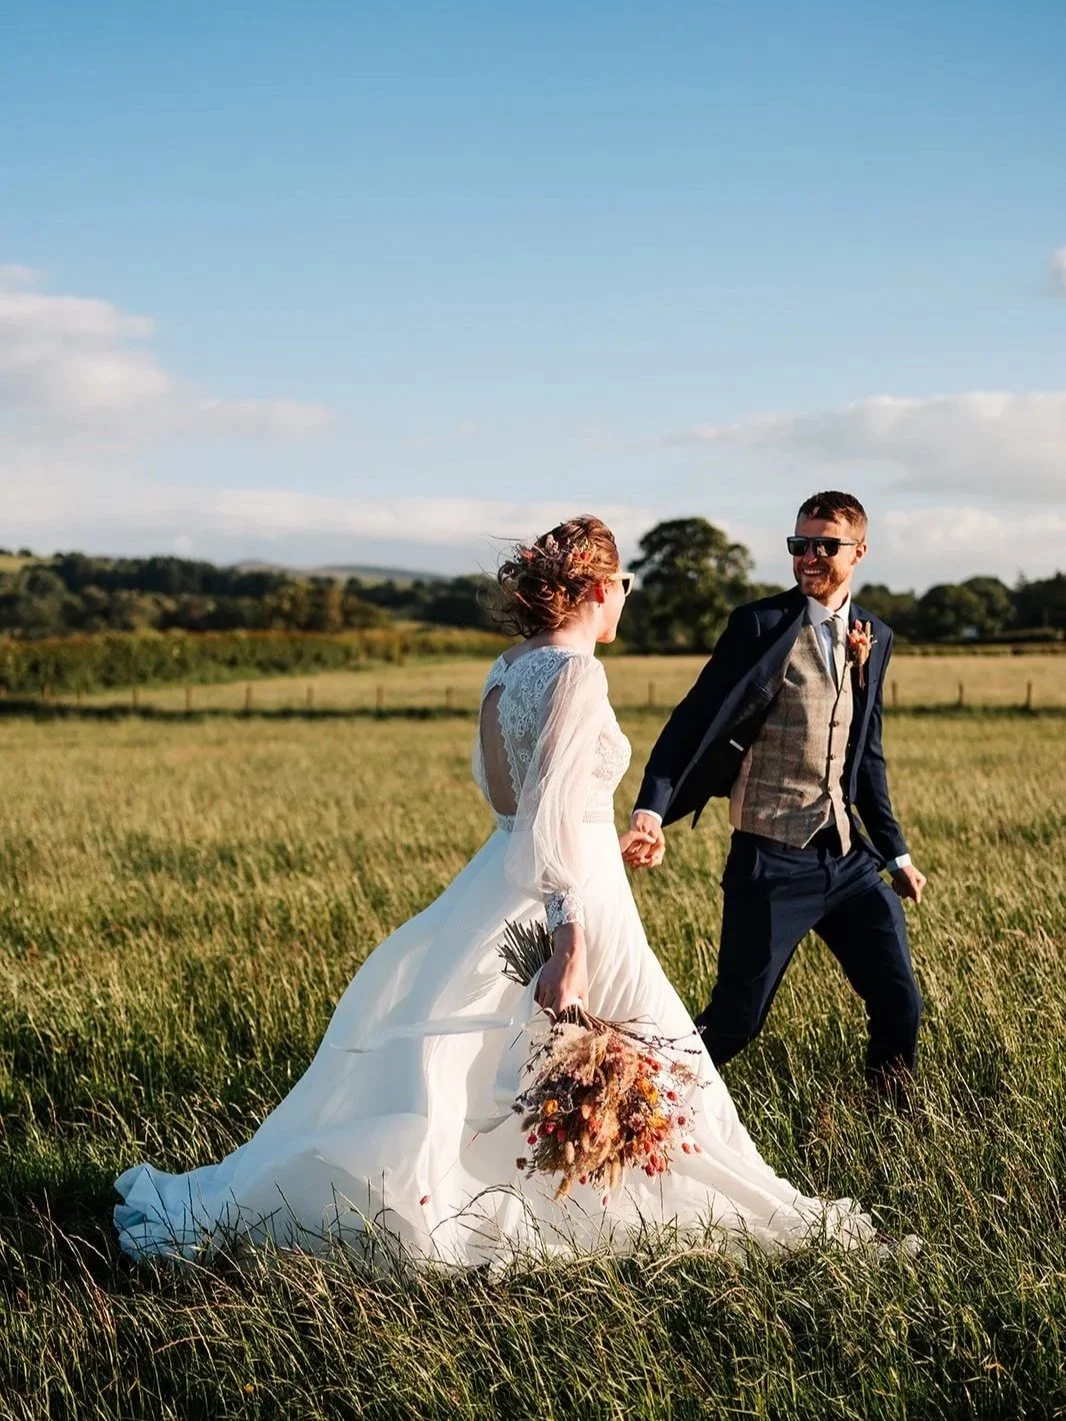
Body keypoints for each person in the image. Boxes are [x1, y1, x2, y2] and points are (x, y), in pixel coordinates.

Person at [115, 514, 887, 1268]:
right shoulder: (579, 673)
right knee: (638, 1063)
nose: (626, 597)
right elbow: (551, 813)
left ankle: (587, 1192)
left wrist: (597, 831)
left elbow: (503, 795)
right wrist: (570, 933)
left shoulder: (508, 668)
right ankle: (615, 1204)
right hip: (573, 895)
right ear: (594, 589)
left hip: (503, 876)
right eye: (623, 582)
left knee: (527, 1065)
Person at [626, 492, 925, 1100]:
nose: (809, 557)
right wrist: (650, 809)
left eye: (825, 546)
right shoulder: (759, 626)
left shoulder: (875, 636)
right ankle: (640, 1103)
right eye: (799, 545)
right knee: (736, 1022)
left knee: (900, 1002)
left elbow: (866, 753)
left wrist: (895, 855)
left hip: (847, 858)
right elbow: (692, 720)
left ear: (859, 552)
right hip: (770, 861)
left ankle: (887, 1122)